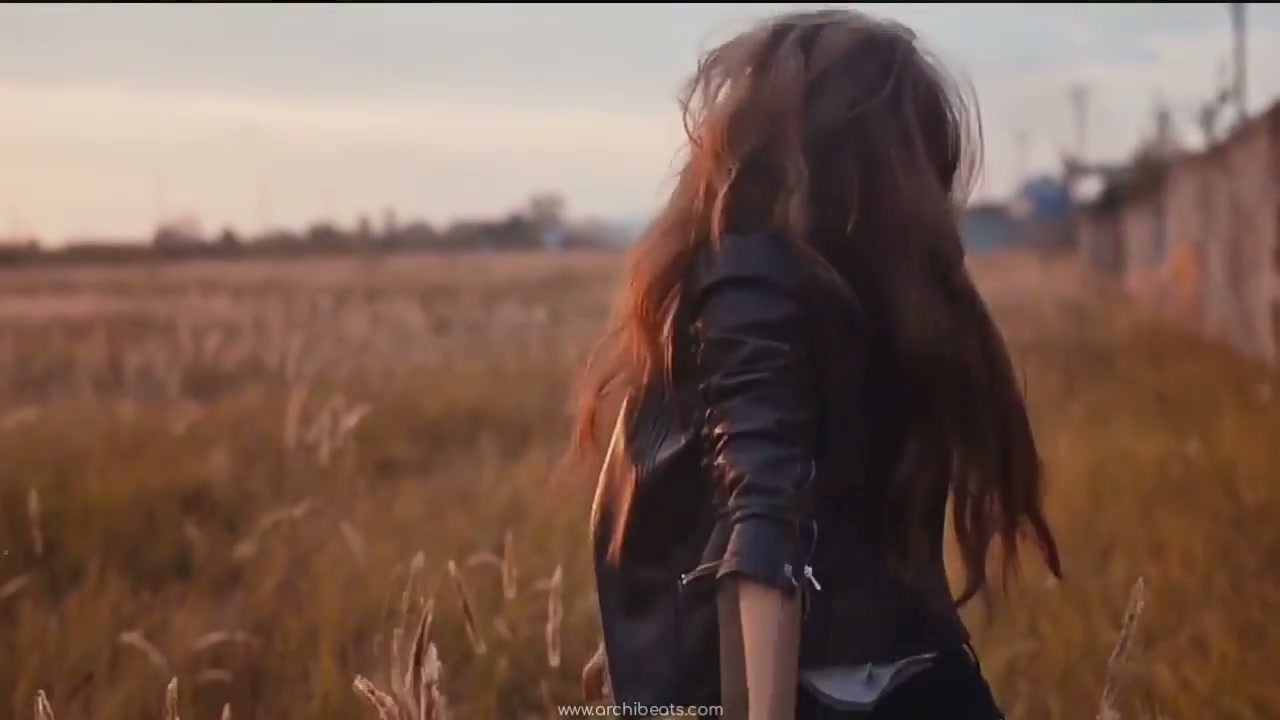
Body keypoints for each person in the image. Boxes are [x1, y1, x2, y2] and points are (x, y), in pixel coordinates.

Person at [569, 9, 1062, 719]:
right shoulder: (888, 291)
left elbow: (766, 532)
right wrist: (637, 645)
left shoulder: (755, 273)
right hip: (925, 679)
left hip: (823, 691)